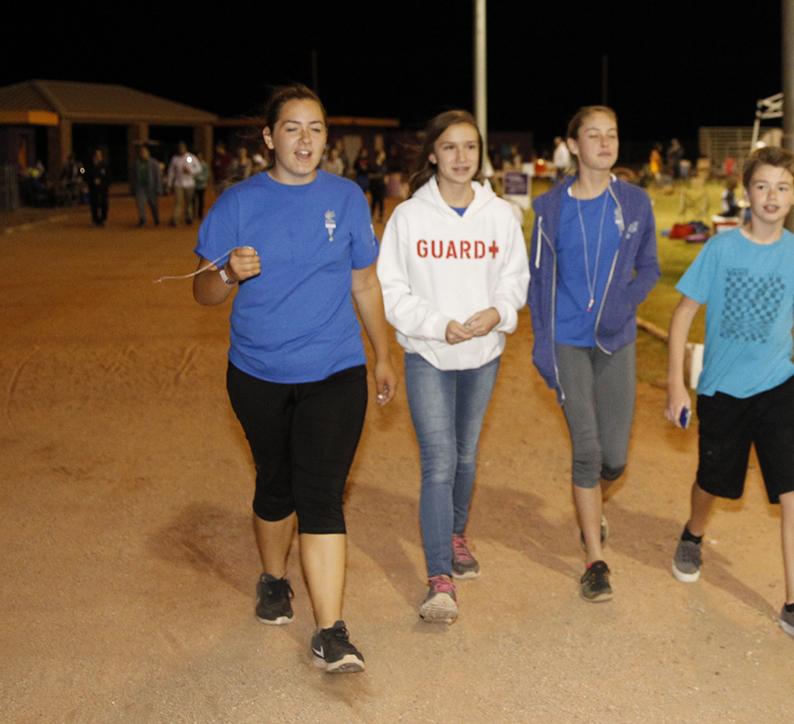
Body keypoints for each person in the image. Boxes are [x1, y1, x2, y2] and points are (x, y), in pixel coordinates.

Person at [191, 84, 397, 674]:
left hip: (335, 368)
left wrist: (383, 354)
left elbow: (365, 283)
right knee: (275, 483)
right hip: (257, 373)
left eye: (315, 129)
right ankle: (273, 578)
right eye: (292, 128)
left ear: (326, 138)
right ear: (269, 137)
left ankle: (331, 630)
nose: (305, 140)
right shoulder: (237, 202)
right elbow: (201, 292)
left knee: (322, 496)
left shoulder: (349, 196)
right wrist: (227, 273)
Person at [665, 146, 794, 648]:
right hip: (722, 389)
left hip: (778, 385)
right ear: (747, 193)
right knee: (714, 480)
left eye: (782, 187)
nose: (772, 196)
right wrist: (677, 384)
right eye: (763, 186)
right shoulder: (720, 249)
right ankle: (693, 534)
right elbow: (681, 316)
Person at [377, 110, 529, 624]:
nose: (461, 158)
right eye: (450, 148)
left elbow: (515, 279)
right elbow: (391, 291)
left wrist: (499, 313)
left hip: (482, 356)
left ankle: (456, 532)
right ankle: (439, 577)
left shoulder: (501, 215)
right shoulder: (409, 218)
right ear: (433, 155)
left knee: (467, 456)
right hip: (428, 354)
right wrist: (437, 324)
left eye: (470, 147)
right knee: (439, 462)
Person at [528, 105, 661, 603]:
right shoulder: (549, 209)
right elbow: (538, 283)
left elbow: (649, 267)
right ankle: (594, 559)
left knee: (616, 458)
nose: (605, 143)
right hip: (567, 339)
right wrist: (544, 344)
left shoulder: (636, 202)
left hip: (615, 339)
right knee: (586, 449)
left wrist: (621, 306)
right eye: (594, 135)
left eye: (612, 134)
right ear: (574, 145)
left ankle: (591, 507)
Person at [166, 142, 201, 226]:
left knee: (189, 203)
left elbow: (198, 168)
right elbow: (171, 172)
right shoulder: (175, 159)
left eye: (182, 148)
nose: (181, 150)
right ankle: (176, 220)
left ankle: (189, 218)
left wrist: (190, 170)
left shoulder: (190, 157)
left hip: (189, 184)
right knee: (178, 202)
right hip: (178, 184)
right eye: (180, 148)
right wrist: (169, 184)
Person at [130, 145, 162, 226]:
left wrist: (158, 187)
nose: (142, 154)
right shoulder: (136, 163)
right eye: (141, 152)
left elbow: (157, 176)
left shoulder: (154, 163)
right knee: (140, 203)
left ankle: (156, 218)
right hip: (140, 187)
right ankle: (142, 219)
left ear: (148, 152)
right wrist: (132, 187)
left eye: (144, 152)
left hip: (151, 187)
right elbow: (133, 176)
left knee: (153, 204)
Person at [85, 148, 109, 227]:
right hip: (93, 188)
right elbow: (86, 176)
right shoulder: (90, 166)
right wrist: (92, 181)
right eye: (97, 155)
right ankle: (95, 220)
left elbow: (108, 177)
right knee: (94, 203)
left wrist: (103, 183)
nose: (99, 157)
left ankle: (103, 219)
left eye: (100, 155)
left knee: (104, 203)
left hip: (103, 188)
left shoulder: (104, 166)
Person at [368, 139, 388, 222]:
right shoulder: (373, 164)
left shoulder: (384, 165)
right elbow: (369, 175)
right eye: (383, 154)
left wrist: (385, 180)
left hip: (381, 185)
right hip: (374, 185)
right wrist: (377, 176)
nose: (384, 155)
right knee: (373, 201)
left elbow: (386, 174)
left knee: (381, 201)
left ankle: (381, 216)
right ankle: (372, 216)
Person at [193, 152, 210, 220]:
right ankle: (193, 214)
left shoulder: (204, 165)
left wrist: (202, 178)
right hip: (194, 185)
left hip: (202, 185)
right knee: (193, 201)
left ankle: (200, 215)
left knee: (201, 200)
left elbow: (207, 174)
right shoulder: (193, 164)